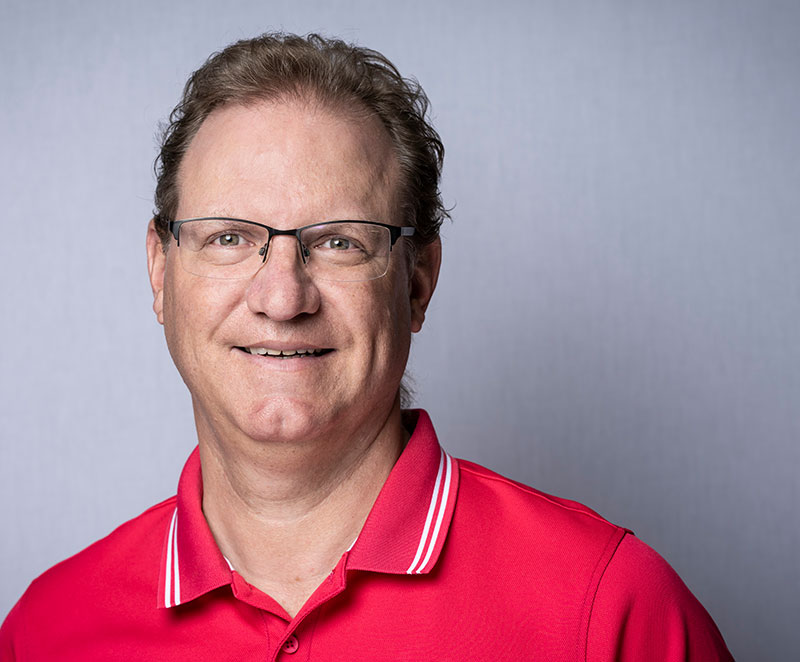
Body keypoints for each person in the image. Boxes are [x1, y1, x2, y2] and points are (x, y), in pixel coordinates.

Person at [0, 32, 734, 661]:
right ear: (161, 273)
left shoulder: (606, 608)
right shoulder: (49, 629)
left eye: (339, 243)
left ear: (417, 283)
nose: (282, 297)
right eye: (229, 237)